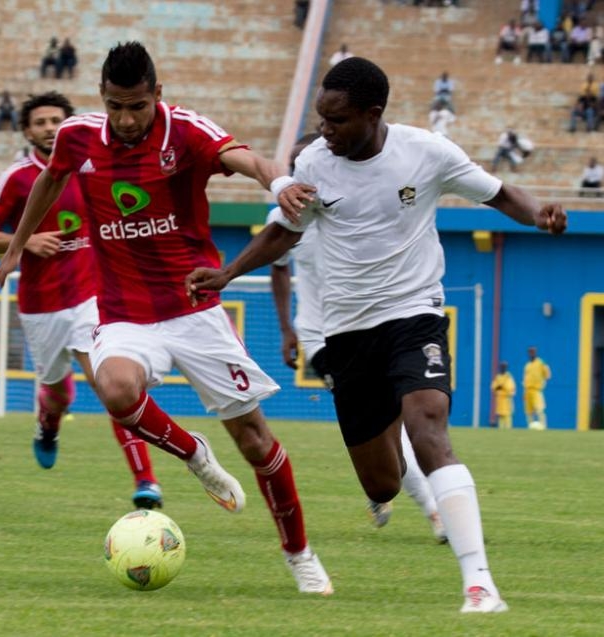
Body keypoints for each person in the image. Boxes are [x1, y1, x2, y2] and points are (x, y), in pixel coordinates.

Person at [185, 56, 567, 612]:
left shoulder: (426, 151)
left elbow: (500, 193)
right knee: (382, 484)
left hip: (415, 313)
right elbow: (282, 235)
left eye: (335, 120)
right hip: (346, 334)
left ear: (373, 114)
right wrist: (225, 273)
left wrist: (539, 215)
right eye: (320, 118)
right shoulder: (315, 163)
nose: (324, 130)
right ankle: (403, 465)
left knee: (429, 420)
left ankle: (479, 584)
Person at [0, 42, 333, 595]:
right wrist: (14, 249)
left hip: (194, 308)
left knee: (255, 441)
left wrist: (280, 183)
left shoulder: (186, 132)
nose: (126, 119)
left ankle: (300, 554)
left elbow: (249, 160)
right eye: (116, 106)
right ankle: (193, 453)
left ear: (158, 96)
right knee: (115, 389)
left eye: (138, 106)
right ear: (103, 98)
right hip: (125, 311)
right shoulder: (79, 137)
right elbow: (51, 180)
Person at [0, 90, 163, 510]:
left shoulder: (94, 167)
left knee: (111, 382)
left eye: (55, 120)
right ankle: (48, 421)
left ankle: (145, 480)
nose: (48, 128)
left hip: (92, 298)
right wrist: (24, 242)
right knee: (58, 392)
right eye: (39, 122)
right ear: (27, 130)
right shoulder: (16, 178)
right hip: (41, 305)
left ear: (69, 124)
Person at [271, 133, 446, 543]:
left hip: (379, 329)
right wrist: (286, 328)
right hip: (326, 341)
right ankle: (432, 509)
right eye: (295, 168)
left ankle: (418, 500)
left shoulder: (352, 207)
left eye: (306, 165)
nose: (302, 176)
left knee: (403, 420)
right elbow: (278, 265)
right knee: (390, 431)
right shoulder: (285, 218)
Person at [523, 346, 551, 428]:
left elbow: (547, 374)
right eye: (530, 352)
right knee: (528, 412)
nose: (531, 354)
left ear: (535, 353)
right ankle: (530, 426)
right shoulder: (527, 365)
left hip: (536, 390)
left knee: (539, 409)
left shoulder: (541, 362)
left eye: (533, 352)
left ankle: (543, 426)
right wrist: (524, 392)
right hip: (528, 390)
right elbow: (525, 379)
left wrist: (544, 381)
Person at [491, 361, 516, 429]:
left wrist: (501, 387)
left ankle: (508, 429)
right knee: (500, 415)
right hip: (499, 399)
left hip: (507, 399)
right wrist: (499, 387)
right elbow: (493, 387)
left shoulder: (508, 377)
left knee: (507, 415)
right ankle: (501, 429)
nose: (502, 368)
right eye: (501, 367)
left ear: (506, 368)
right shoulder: (498, 377)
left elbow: (510, 388)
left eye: (504, 367)